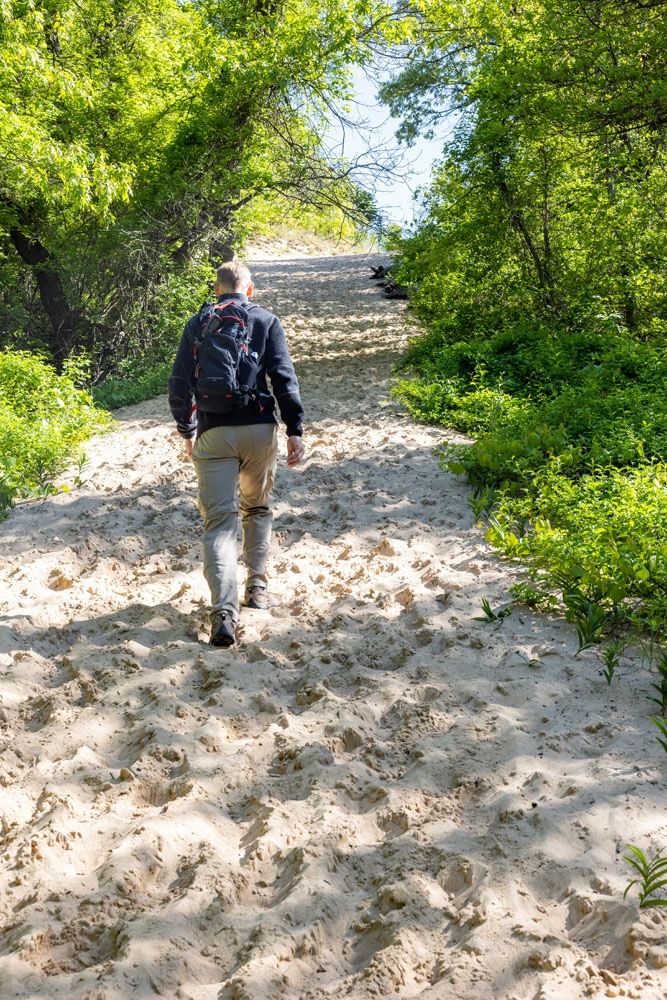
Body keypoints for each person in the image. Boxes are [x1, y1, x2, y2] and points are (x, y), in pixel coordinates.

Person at [168, 260, 305, 647]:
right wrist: (295, 430)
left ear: (216, 289)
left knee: (219, 523)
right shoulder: (265, 320)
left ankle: (224, 613)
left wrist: (187, 430)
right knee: (257, 509)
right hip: (260, 429)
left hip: (214, 433)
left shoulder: (198, 324)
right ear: (250, 289)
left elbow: (178, 383)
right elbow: (283, 376)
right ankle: (257, 590)